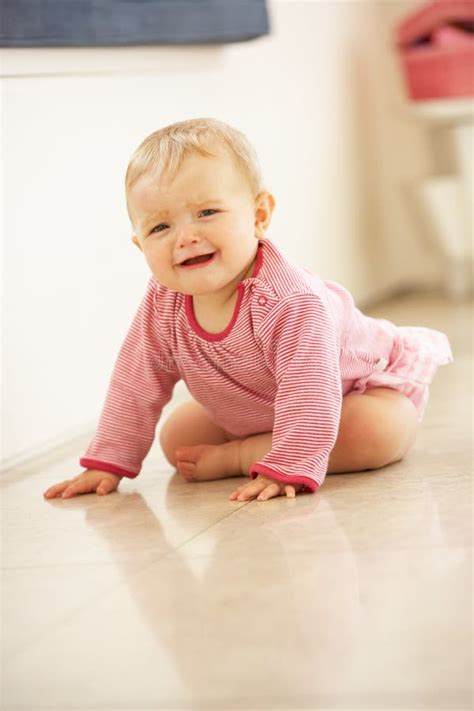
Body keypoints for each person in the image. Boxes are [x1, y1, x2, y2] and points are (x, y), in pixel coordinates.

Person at [43, 118, 453, 504]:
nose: (185, 237)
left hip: (352, 393)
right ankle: (261, 441)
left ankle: (248, 454)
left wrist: (288, 464)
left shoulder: (289, 300)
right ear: (140, 246)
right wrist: (108, 461)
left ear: (259, 216)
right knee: (178, 437)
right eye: (159, 228)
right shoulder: (163, 301)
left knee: (376, 432)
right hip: (261, 407)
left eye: (206, 213)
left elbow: (308, 387)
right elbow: (137, 378)